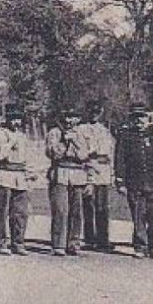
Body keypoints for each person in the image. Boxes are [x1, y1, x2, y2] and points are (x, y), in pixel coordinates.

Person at [116, 102, 153, 260]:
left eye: (142, 117)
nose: (139, 121)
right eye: (135, 117)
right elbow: (120, 160)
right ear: (131, 119)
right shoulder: (126, 137)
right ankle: (140, 246)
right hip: (135, 183)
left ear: (147, 118)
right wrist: (121, 182)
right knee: (138, 216)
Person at [0, 104, 31, 256]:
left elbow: (27, 158)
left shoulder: (23, 136)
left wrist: (30, 172)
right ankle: (0, 242)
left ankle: (18, 242)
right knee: (1, 211)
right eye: (13, 119)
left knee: (20, 212)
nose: (16, 122)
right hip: (2, 173)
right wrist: (10, 142)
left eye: (19, 119)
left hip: (20, 176)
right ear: (7, 119)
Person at [45, 104, 89, 257]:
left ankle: (73, 242)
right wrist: (64, 141)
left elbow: (84, 155)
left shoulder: (82, 133)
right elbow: (53, 154)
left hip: (78, 174)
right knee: (61, 209)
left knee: (76, 211)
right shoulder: (54, 133)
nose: (70, 120)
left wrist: (75, 141)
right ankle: (58, 243)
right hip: (60, 172)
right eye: (67, 117)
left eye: (74, 117)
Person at [81, 101, 116, 251]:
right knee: (89, 205)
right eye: (91, 111)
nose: (94, 114)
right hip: (88, 169)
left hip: (103, 171)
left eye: (97, 112)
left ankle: (103, 239)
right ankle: (90, 238)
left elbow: (110, 151)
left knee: (103, 207)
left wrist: (112, 172)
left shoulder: (105, 130)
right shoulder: (81, 129)